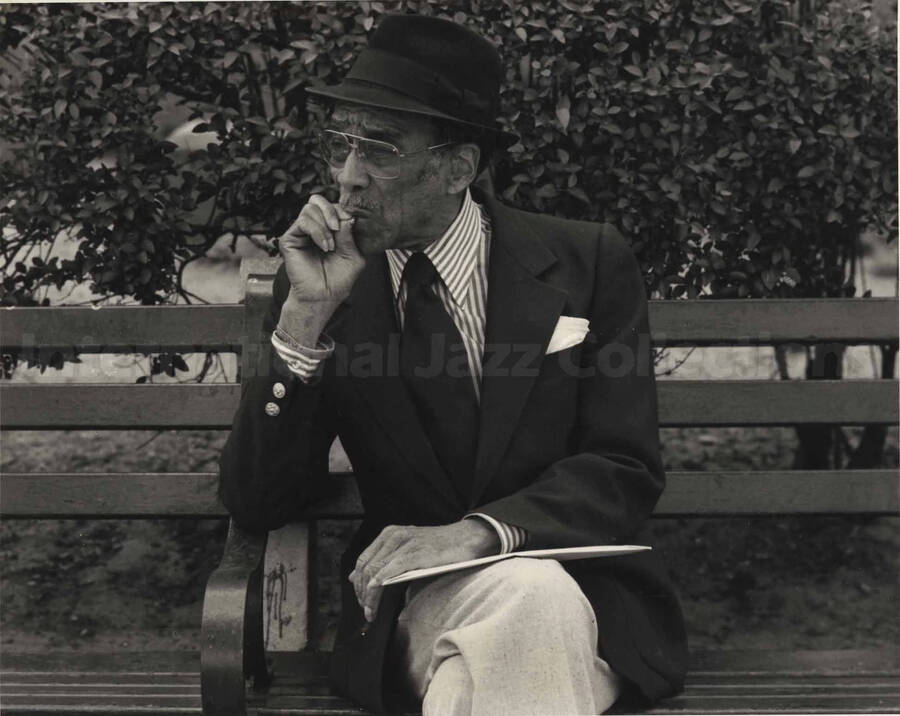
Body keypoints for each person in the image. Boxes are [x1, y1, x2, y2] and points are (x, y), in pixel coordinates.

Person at [219, 13, 687, 715]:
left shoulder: (585, 263)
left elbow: (624, 467)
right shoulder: (323, 289)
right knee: (527, 607)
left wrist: (482, 534)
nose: (348, 180)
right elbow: (259, 500)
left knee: (514, 619)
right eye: (341, 145)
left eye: (377, 149)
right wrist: (301, 330)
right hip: (414, 605)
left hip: (583, 595)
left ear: (456, 169)